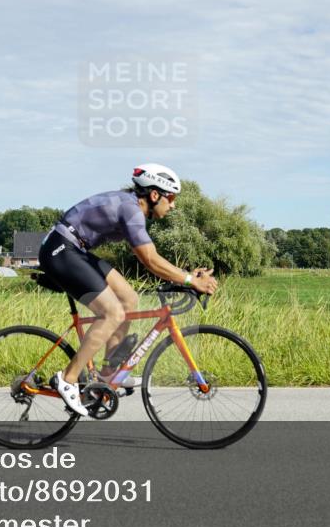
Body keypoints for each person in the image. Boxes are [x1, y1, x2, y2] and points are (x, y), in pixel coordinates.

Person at [38, 163, 218, 417]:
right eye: (172, 198)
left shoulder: (132, 208)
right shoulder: (130, 210)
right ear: (154, 195)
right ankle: (67, 378)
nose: (173, 205)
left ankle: (107, 375)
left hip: (74, 249)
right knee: (112, 313)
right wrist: (190, 280)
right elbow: (150, 260)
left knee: (128, 298)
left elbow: (152, 257)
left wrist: (186, 276)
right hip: (61, 250)